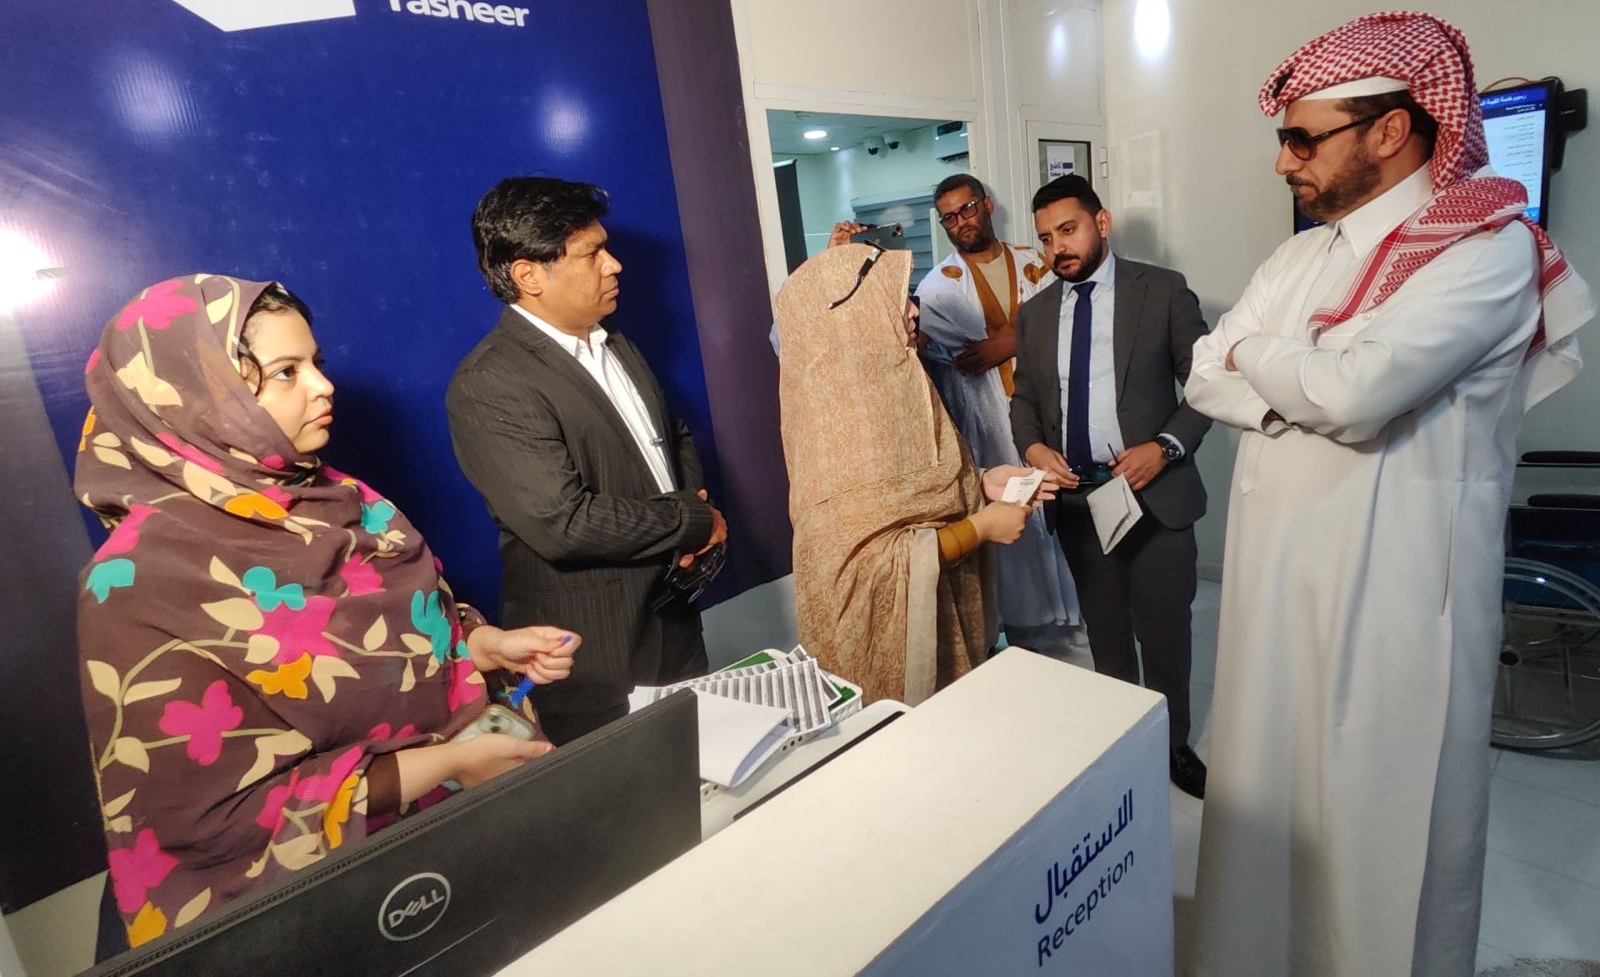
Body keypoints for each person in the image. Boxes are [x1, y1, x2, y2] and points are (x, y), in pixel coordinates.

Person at [1185, 12, 1594, 977]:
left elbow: (1355, 395)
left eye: (1301, 138)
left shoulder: (1488, 252)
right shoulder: (1297, 258)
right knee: (1266, 813)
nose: (1282, 161)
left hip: (1397, 610)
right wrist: (1292, 376)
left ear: (1391, 130)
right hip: (1273, 594)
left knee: (1383, 840)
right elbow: (1204, 371)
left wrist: (1264, 358)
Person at [75, 275, 580, 952]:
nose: (323, 385)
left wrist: (481, 643)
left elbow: (407, 626)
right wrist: (450, 763)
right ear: (196, 396)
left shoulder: (345, 498)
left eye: (316, 361)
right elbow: (209, 821)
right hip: (303, 911)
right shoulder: (135, 582)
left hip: (437, 853)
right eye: (287, 371)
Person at [447, 177, 726, 746]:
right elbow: (563, 522)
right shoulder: (489, 383)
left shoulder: (614, 340)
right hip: (590, 652)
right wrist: (692, 521)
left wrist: (688, 530)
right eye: (591, 253)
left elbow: (672, 436)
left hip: (673, 617)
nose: (614, 264)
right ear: (529, 275)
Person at [1010, 174, 1212, 799]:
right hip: (1079, 501)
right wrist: (1033, 449)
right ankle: (1124, 739)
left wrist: (1166, 446)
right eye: (1046, 238)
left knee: (1164, 632)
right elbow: (1024, 402)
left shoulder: (1162, 291)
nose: (1057, 248)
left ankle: (1173, 744)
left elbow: (1208, 385)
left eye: (1067, 230)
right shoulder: (1035, 313)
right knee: (1105, 632)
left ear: (1102, 223)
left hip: (1155, 495)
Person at [775, 242, 1048, 704]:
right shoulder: (840, 425)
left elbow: (917, 489)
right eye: (895, 296)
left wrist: (980, 483)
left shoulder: (896, 384)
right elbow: (870, 567)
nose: (914, 310)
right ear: (856, 314)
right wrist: (981, 528)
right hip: (886, 668)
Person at [912, 174, 1082, 658]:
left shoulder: (1035, 261)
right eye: (949, 217)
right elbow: (957, 354)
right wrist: (1015, 338)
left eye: (967, 209)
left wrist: (1006, 342)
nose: (960, 222)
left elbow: (1068, 319)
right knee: (1015, 514)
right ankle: (1027, 623)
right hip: (985, 421)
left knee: (1063, 505)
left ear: (986, 205)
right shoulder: (938, 286)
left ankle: (1077, 613)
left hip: (1051, 410)